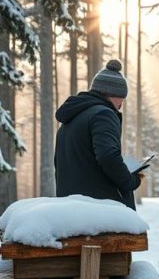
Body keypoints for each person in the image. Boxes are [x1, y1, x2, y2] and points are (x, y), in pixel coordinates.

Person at [54, 59, 142, 209]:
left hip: (71, 206)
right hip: (101, 208)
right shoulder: (104, 115)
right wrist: (131, 181)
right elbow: (108, 156)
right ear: (114, 94)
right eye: (122, 97)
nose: (122, 103)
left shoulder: (70, 120)